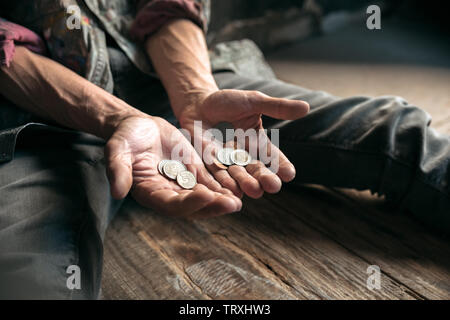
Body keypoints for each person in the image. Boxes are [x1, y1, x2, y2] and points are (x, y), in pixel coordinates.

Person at [0, 0, 448, 299]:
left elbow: (166, 4)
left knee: (393, 129)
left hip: (166, 79)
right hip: (38, 113)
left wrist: (194, 93)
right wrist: (119, 118)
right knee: (31, 278)